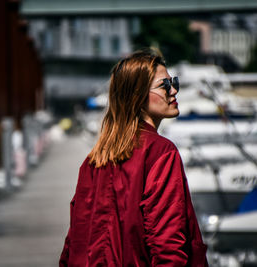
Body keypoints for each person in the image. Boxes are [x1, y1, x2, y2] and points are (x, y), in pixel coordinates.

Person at [60, 49, 208, 266]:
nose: (174, 90)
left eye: (173, 81)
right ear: (137, 95)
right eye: (164, 85)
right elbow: (168, 244)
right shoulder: (160, 151)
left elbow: (74, 242)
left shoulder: (95, 159)